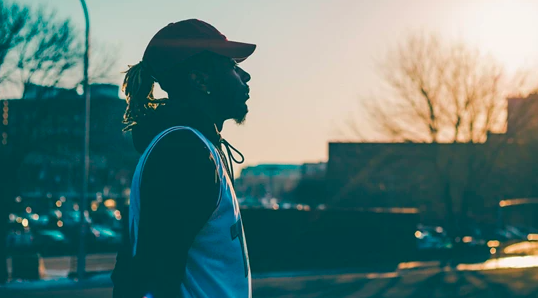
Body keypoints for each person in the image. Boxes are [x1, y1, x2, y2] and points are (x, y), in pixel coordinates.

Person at [111, 19, 256, 298]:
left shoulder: (196, 145)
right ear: (200, 79)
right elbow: (151, 280)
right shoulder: (184, 153)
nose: (245, 76)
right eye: (232, 66)